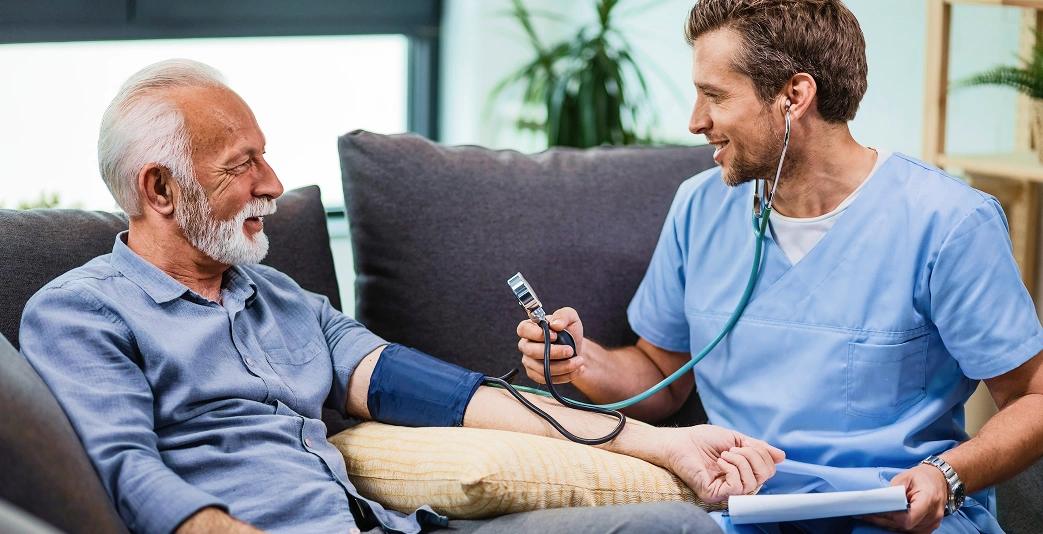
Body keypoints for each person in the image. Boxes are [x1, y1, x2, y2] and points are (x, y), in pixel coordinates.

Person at [17, 59, 784, 534]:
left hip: (392, 524)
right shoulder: (81, 312)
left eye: (267, 158)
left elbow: (455, 397)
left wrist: (666, 442)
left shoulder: (285, 301)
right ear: (160, 188)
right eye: (241, 164)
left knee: (666, 527)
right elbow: (120, 468)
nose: (273, 186)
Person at [515, 1, 1043, 533]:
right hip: (736, 513)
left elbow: (1032, 398)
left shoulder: (948, 221)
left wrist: (946, 476)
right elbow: (662, 373)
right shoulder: (699, 207)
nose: (696, 121)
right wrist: (585, 364)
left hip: (895, 517)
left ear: (794, 96)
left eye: (715, 96)